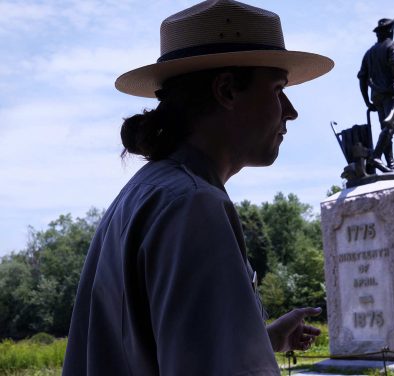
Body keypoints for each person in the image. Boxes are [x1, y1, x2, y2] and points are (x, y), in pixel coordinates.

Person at [62, 1, 333, 375]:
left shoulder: (149, 193)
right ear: (226, 90)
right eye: (277, 89)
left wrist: (262, 339)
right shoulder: (192, 205)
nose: (290, 110)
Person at [358, 18, 394, 172]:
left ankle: (391, 164)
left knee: (385, 130)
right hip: (392, 95)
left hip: (377, 97)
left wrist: (367, 101)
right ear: (390, 31)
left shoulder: (369, 53)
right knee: (390, 128)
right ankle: (376, 156)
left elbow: (362, 79)